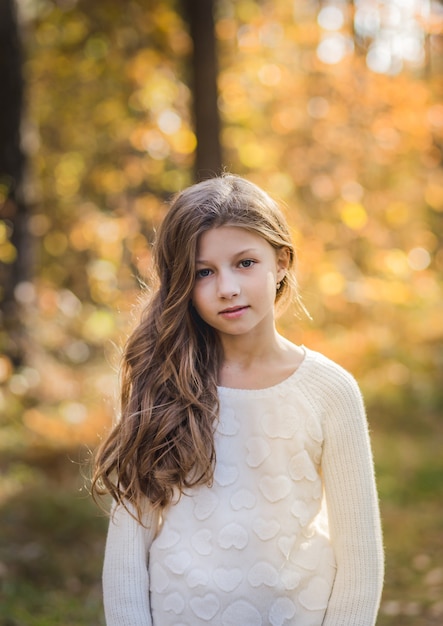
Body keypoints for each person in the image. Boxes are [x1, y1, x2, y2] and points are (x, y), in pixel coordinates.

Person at [92, 174, 384, 626]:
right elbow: (128, 548)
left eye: (245, 263)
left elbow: (360, 559)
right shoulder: (164, 383)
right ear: (182, 285)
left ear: (282, 261)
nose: (226, 287)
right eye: (203, 272)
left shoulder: (330, 390)